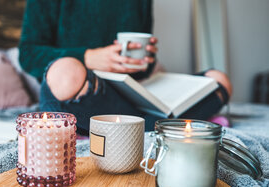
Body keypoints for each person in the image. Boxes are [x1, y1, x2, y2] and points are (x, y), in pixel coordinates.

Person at [19, 0, 232, 135]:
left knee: (218, 80)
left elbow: (142, 69)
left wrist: (144, 61)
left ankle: (140, 125)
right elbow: (28, 54)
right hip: (85, 93)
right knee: (66, 72)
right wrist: (89, 57)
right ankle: (163, 125)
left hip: (127, 92)